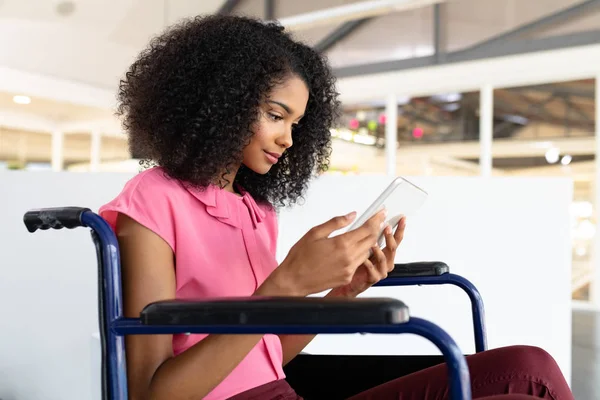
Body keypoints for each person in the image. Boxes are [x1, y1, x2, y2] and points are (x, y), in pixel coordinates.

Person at [98, 14, 574, 400]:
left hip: (284, 392)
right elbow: (148, 394)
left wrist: (340, 295)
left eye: (296, 123)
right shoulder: (153, 201)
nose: (287, 138)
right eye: (275, 115)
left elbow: (265, 357)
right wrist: (283, 285)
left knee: (529, 368)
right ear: (221, 101)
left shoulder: (253, 211)